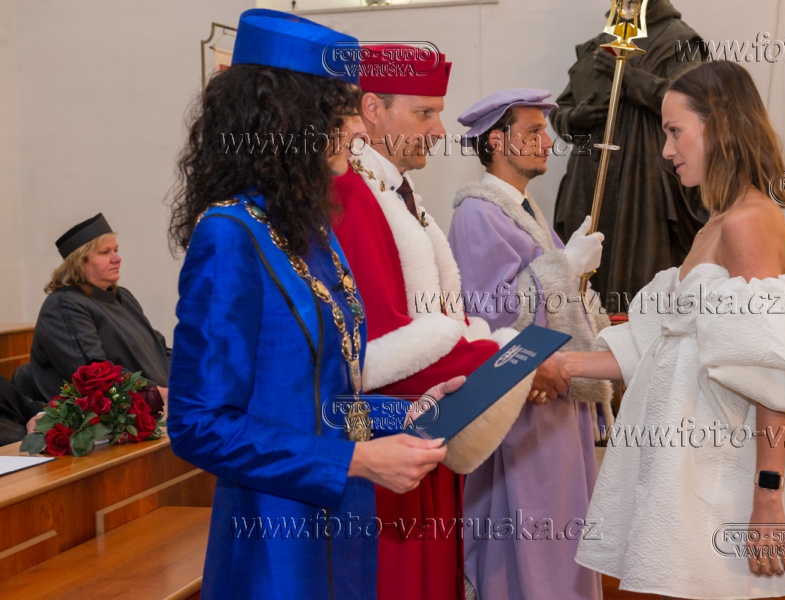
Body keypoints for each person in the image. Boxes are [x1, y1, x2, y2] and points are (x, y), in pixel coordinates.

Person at [166, 11, 461, 599]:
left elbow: (322, 402)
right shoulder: (230, 234)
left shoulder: (311, 232)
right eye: (343, 112)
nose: (358, 128)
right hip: (271, 543)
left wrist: (402, 414)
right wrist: (352, 463)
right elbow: (199, 425)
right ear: (290, 119)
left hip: (341, 529)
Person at [563, 61, 785, 597]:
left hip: (724, 465)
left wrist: (767, 496)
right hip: (689, 458)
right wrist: (561, 365)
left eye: (676, 132)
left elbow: (771, 367)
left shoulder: (748, 222)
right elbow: (658, 346)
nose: (666, 150)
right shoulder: (716, 224)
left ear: (719, 126)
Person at [331, 47, 550, 600]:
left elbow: (441, 315)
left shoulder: (397, 193)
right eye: (424, 113)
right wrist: (504, 361)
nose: (439, 130)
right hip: (388, 436)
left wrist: (500, 358)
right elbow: (380, 341)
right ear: (373, 109)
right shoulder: (352, 192)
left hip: (425, 427)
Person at [447, 89, 612, 600]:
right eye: (534, 131)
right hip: (524, 407)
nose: (547, 142)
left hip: (553, 404)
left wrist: (573, 273)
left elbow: (548, 296)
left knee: (562, 536)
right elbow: (493, 313)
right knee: (530, 542)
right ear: (498, 140)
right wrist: (565, 265)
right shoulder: (477, 213)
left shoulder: (523, 210)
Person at [551, 0, 708, 311]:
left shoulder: (680, 40)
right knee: (583, 283)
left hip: (643, 181)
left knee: (640, 276)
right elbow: (561, 109)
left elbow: (697, 107)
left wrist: (631, 79)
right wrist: (574, 118)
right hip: (588, 179)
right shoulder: (599, 45)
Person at [30, 213, 171, 402]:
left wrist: (191, 375)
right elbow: (95, 375)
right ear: (80, 262)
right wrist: (160, 394)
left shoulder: (123, 296)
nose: (117, 258)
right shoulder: (65, 305)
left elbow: (159, 349)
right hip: (112, 414)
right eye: (105, 252)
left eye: (116, 250)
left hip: (163, 402)